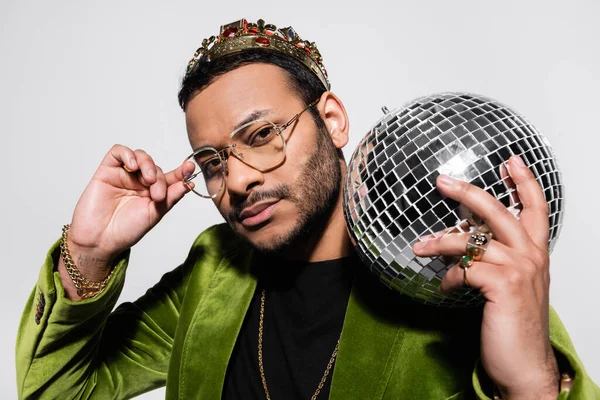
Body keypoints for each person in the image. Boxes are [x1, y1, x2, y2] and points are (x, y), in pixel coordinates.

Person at [15, 18, 599, 400]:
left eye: (263, 133)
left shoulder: (453, 263)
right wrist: (89, 256)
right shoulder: (214, 271)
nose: (237, 179)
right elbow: (57, 391)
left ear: (333, 120)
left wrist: (530, 386)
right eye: (213, 161)